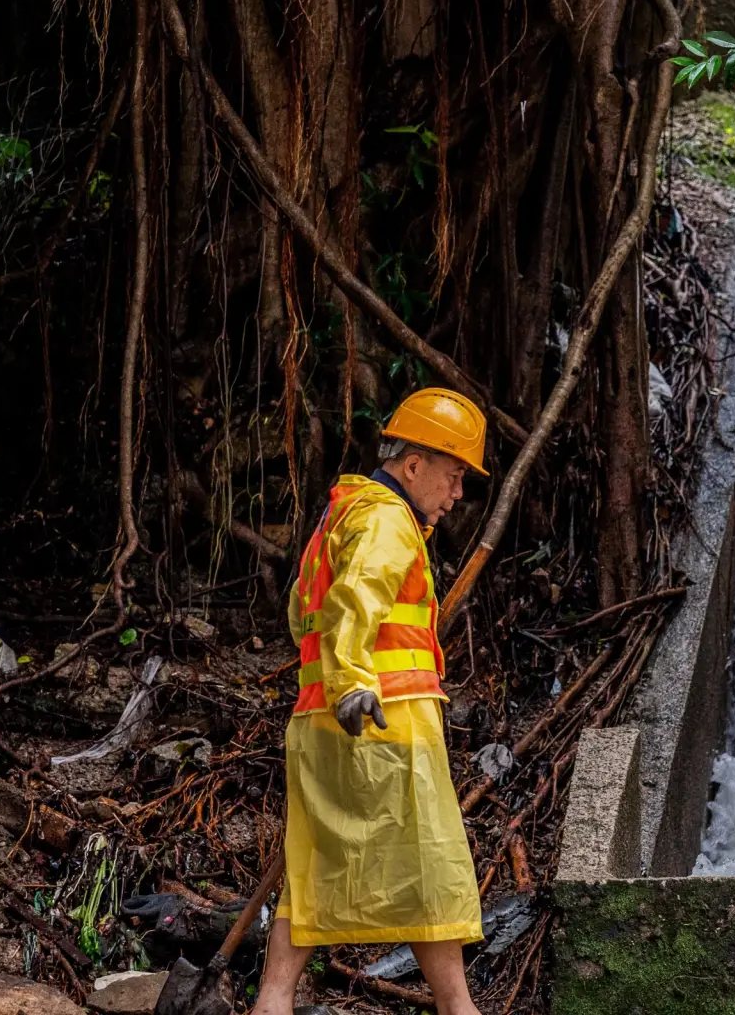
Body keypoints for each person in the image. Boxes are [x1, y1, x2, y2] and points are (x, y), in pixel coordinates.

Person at [254, 388, 490, 1015]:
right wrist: (355, 682)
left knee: (311, 878)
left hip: (318, 724)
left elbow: (304, 614)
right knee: (431, 869)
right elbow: (354, 601)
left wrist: (339, 684)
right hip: (382, 721)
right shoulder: (387, 519)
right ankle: (459, 1008)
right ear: (413, 464)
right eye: (454, 473)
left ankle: (271, 1003)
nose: (458, 492)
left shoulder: (343, 514)